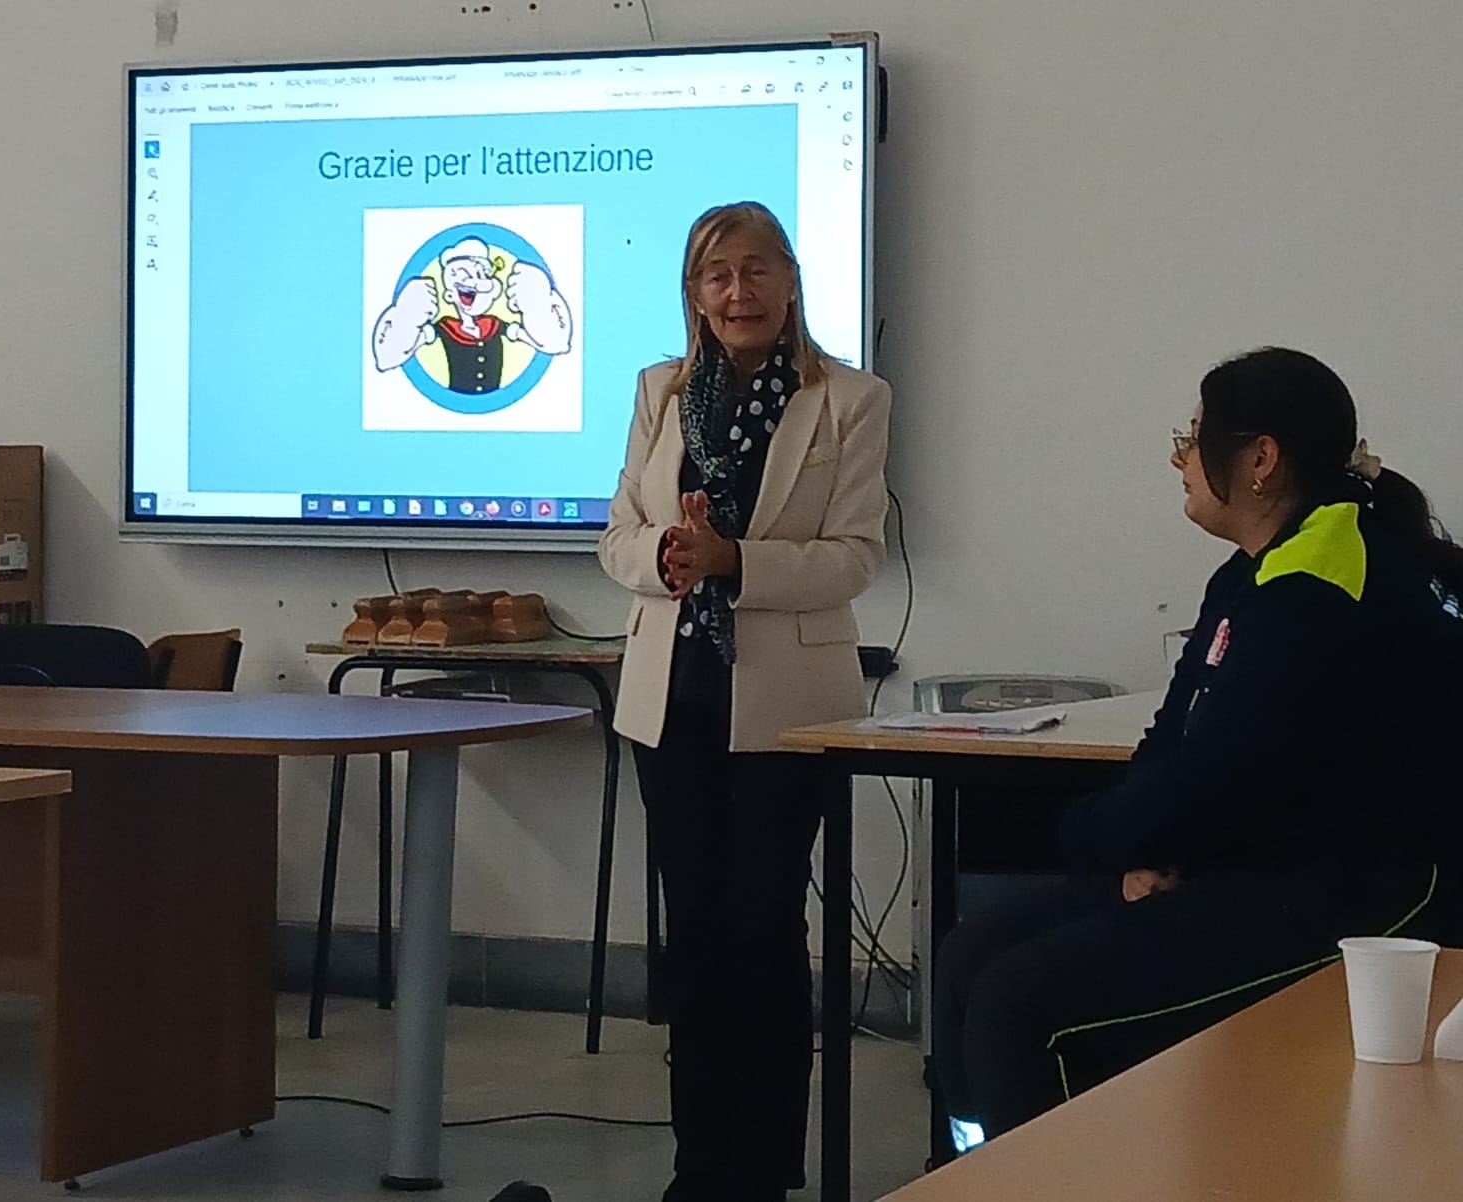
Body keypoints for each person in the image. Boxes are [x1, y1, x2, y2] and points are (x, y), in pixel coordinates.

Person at [931, 347, 1463, 1150]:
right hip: (1262, 862)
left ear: (1259, 459)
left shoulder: (1322, 581)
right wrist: (1137, 852)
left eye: (1193, 437)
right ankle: (973, 1170)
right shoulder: (1252, 572)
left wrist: (1106, 840)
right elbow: (1175, 742)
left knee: (1019, 1005)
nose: (1179, 458)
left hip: (1370, 899)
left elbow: (1223, 780)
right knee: (972, 952)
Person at [598, 201, 892, 1200]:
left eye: (757, 269)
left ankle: (761, 1170)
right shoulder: (660, 391)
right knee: (693, 937)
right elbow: (616, 536)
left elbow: (854, 557)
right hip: (669, 700)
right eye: (717, 275)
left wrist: (736, 561)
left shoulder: (849, 399)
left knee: (761, 932)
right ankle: (700, 1168)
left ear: (791, 280)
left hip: (785, 711)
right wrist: (667, 554)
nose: (739, 292)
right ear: (693, 293)